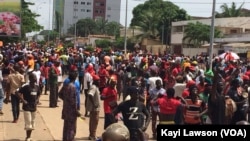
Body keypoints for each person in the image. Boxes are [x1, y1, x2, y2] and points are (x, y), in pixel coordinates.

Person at [17, 73, 41, 141]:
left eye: (35, 77)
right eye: (34, 77)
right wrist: (23, 100)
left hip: (34, 107)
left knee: (32, 122)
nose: (35, 78)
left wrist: (37, 100)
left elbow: (39, 93)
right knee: (28, 122)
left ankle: (29, 137)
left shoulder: (37, 86)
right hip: (26, 107)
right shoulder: (26, 86)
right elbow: (17, 92)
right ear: (30, 79)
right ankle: (27, 137)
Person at [59, 70, 81, 141]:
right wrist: (76, 111)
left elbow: (60, 94)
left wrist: (65, 100)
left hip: (65, 108)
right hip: (72, 110)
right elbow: (73, 101)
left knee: (66, 125)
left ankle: (65, 138)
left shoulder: (65, 86)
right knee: (71, 127)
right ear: (75, 78)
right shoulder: (73, 87)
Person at [86, 74, 101, 140]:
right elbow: (90, 95)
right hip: (95, 108)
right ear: (95, 81)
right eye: (98, 80)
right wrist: (94, 104)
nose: (99, 82)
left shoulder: (95, 87)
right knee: (95, 122)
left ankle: (92, 135)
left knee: (93, 122)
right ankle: (92, 136)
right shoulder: (94, 87)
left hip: (95, 108)